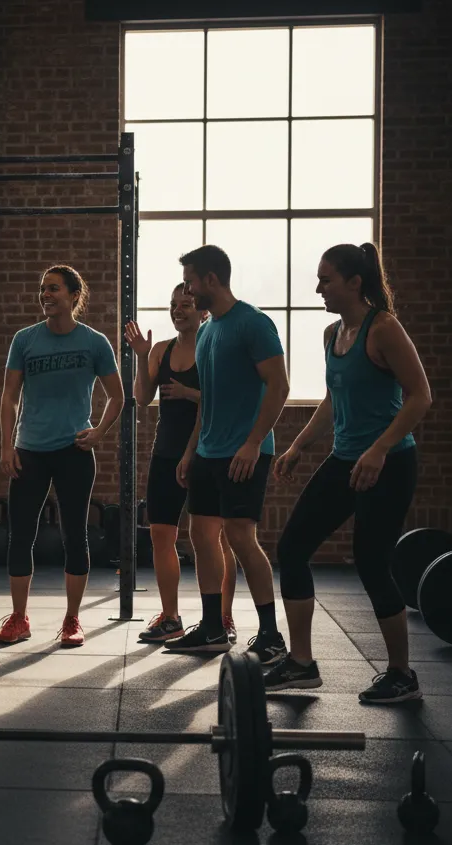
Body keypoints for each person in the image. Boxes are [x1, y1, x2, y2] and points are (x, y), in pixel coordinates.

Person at [268, 243, 430, 703]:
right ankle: (301, 663)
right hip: (344, 460)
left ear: (354, 283)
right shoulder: (331, 334)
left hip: (390, 462)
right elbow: (335, 398)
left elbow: (420, 396)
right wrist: (300, 445)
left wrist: (379, 450)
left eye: (326, 280)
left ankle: (402, 674)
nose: (318, 287)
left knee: (371, 563)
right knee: (293, 546)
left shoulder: (384, 329)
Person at [168, 245, 291, 664]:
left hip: (245, 452)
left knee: (240, 537)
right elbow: (209, 401)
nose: (187, 290)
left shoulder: (253, 324)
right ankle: (213, 628)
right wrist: (190, 452)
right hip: (208, 451)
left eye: (190, 282)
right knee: (200, 537)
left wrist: (254, 443)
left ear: (212, 280)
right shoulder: (206, 331)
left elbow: (280, 387)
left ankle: (271, 635)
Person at [0, 265, 124, 648]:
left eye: (53, 289)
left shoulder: (95, 342)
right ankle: (19, 618)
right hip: (28, 451)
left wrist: (99, 432)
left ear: (73, 295)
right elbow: (9, 396)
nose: (45, 295)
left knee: (74, 535)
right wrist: (5, 445)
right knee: (20, 536)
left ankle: (72, 620)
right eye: (42, 289)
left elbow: (117, 395)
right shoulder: (25, 339)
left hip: (74, 452)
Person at [124, 284, 241, 644]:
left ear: (202, 309)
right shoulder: (162, 350)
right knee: (162, 533)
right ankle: (170, 616)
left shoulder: (214, 347)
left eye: (186, 304)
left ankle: (223, 617)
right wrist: (143, 357)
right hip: (166, 452)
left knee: (216, 539)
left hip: (208, 452)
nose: (178, 310)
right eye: (173, 305)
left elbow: (230, 397)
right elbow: (142, 399)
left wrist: (191, 393)